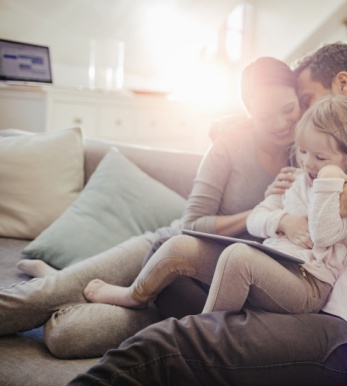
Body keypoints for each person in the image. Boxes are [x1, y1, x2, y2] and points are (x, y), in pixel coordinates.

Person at [68, 42, 347, 385]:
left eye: (305, 102)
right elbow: (273, 206)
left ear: (343, 85)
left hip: (340, 321)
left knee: (170, 340)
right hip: (286, 277)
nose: (296, 120)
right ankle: (103, 310)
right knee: (177, 265)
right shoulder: (313, 154)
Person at [0, 56, 301, 358]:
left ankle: (68, 279)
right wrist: (258, 214)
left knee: (67, 337)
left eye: (288, 110)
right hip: (165, 251)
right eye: (264, 116)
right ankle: (57, 279)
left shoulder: (308, 153)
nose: (280, 124)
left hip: (200, 290)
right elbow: (192, 224)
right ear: (248, 114)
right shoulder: (230, 143)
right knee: (43, 297)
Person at [82, 95, 347, 316]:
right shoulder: (296, 179)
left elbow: (322, 234)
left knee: (238, 257)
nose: (308, 163)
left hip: (307, 284)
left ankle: (200, 335)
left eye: (320, 157)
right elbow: (257, 217)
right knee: (179, 246)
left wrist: (328, 180)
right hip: (271, 261)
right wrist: (281, 221)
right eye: (303, 152)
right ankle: (133, 296)